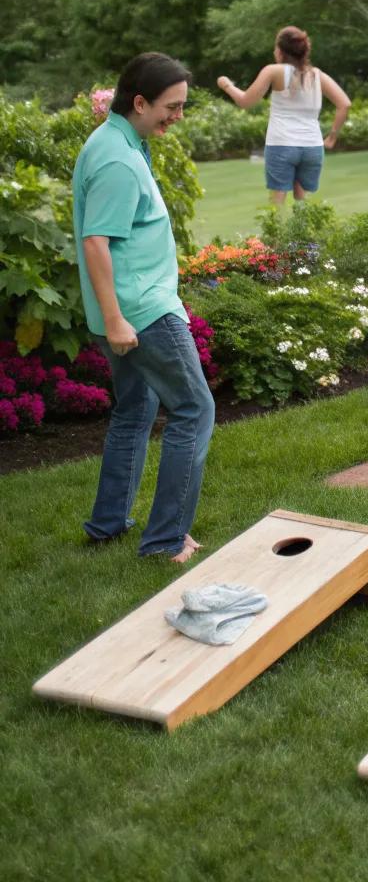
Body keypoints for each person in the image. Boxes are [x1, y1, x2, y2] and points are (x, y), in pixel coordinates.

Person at [72, 53, 214, 564]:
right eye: (171, 107)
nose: (177, 116)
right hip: (142, 312)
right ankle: (166, 540)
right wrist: (115, 320)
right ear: (139, 102)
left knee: (136, 410)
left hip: (131, 307)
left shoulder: (118, 141)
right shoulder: (116, 157)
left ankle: (108, 523)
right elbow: (95, 243)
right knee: (195, 411)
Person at [216, 26, 350, 205]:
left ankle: (276, 233)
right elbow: (344, 104)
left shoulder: (273, 71)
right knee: (302, 203)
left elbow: (246, 102)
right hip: (312, 147)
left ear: (280, 51)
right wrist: (332, 137)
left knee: (276, 206)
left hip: (281, 145)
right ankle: (306, 232)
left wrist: (226, 85)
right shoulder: (317, 75)